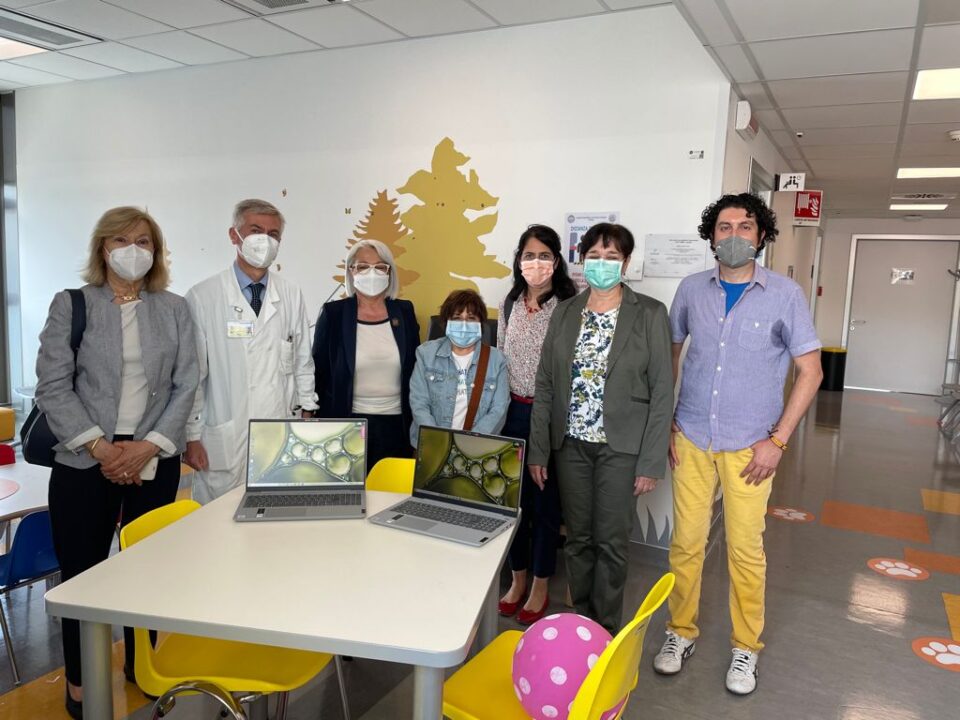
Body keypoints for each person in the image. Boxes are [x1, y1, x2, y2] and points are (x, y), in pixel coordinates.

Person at [653, 193, 822, 695]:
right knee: (686, 544)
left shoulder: (785, 295)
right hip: (691, 437)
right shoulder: (690, 290)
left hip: (752, 447)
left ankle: (746, 647)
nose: (733, 236)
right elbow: (670, 357)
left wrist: (778, 441)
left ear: (762, 235)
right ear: (711, 237)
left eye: (745, 227)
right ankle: (680, 632)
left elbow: (811, 372)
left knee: (745, 550)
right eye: (724, 228)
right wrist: (665, 423)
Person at [35, 207, 199, 719]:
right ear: (103, 248)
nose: (134, 250)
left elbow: (187, 383)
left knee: (147, 570)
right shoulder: (72, 305)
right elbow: (53, 386)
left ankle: (141, 664)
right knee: (82, 575)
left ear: (157, 251)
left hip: (153, 454)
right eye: (122, 240)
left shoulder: (173, 308)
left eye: (144, 241)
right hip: (85, 461)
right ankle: (81, 681)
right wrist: (102, 449)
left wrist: (148, 446)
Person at [528, 222, 673, 634]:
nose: (602, 264)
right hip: (570, 444)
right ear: (581, 260)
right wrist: (539, 449)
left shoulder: (649, 313)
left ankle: (603, 629)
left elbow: (662, 391)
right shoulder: (566, 312)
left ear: (625, 263)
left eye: (612, 257)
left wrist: (650, 461)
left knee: (611, 541)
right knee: (578, 539)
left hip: (620, 448)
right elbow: (546, 383)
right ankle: (580, 621)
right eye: (594, 256)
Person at [183, 198, 317, 503]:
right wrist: (191, 436)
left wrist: (307, 412)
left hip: (279, 429)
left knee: (275, 513)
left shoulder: (290, 294)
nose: (265, 240)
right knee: (217, 518)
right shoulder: (203, 296)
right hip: (225, 432)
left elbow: (302, 361)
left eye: (273, 234)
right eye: (256, 230)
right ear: (235, 235)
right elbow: (192, 377)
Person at [496, 225, 577, 624]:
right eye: (529, 255)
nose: (536, 263)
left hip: (547, 415)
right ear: (519, 260)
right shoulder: (509, 302)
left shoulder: (568, 306)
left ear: (557, 262)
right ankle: (517, 579)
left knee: (545, 506)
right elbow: (499, 358)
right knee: (513, 504)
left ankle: (541, 584)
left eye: (544, 256)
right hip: (511, 412)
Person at [312, 240, 420, 469]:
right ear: (351, 271)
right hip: (345, 425)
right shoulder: (334, 314)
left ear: (389, 272)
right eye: (362, 266)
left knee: (390, 490)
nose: (372, 273)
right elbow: (318, 373)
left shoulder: (405, 311)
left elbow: (415, 370)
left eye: (380, 266)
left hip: (397, 426)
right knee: (349, 490)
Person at [409, 289, 509, 444]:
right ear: (446, 322)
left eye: (471, 318)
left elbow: (498, 410)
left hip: (475, 447)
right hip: (431, 444)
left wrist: (468, 444)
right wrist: (438, 440)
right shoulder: (426, 354)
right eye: (457, 318)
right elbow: (419, 403)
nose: (464, 324)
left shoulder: (497, 360)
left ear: (480, 323)